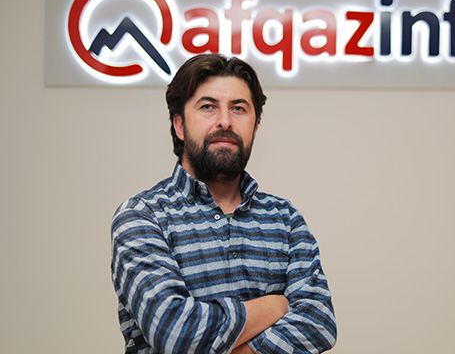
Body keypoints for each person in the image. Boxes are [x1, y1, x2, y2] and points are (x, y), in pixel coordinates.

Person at [110, 54, 337, 354]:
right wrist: (276, 305)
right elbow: (176, 333)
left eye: (238, 109)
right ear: (179, 125)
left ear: (255, 127)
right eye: (208, 107)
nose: (225, 121)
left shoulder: (285, 219)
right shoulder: (142, 216)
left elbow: (320, 323)